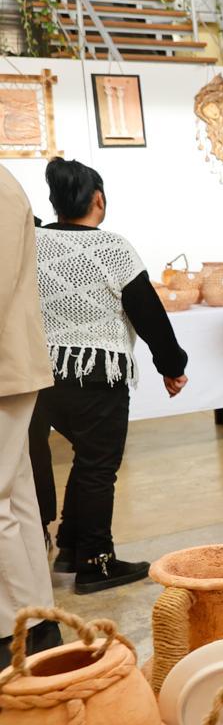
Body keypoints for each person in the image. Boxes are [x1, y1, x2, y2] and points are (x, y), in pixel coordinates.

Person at [27, 158, 188, 594]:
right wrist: (173, 367)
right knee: (100, 465)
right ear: (98, 199)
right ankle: (97, 562)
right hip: (98, 374)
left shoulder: (31, 241)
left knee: (86, 457)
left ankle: (72, 546)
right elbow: (148, 314)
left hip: (39, 374)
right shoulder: (113, 248)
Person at [0, 165, 58, 653]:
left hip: (4, 366)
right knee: (15, 499)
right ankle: (37, 624)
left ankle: (11, 631)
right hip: (6, 365)